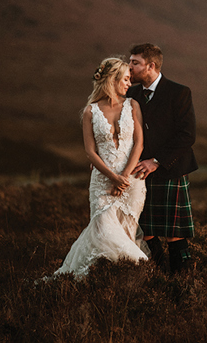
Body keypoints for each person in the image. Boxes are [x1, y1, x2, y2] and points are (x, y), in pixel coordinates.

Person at [53, 57, 148, 277]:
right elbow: (90, 152)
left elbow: (139, 143)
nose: (128, 83)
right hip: (103, 182)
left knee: (126, 232)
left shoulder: (133, 105)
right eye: (125, 79)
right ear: (112, 80)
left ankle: (118, 280)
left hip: (132, 183)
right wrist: (113, 178)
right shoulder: (90, 111)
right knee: (103, 230)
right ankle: (93, 276)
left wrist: (124, 177)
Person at [127, 43, 198, 274]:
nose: (129, 68)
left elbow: (187, 135)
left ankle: (182, 281)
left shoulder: (179, 92)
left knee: (174, 232)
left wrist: (156, 161)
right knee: (144, 229)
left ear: (151, 66)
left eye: (135, 63)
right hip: (140, 171)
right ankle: (159, 275)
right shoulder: (131, 93)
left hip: (171, 168)